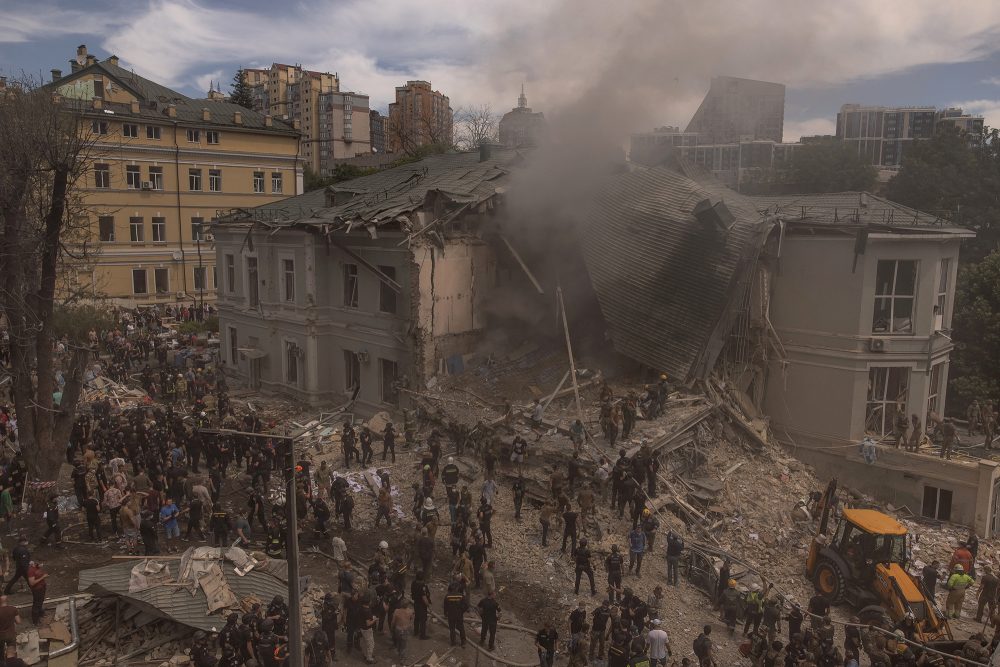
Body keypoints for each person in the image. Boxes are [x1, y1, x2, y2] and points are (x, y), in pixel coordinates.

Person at [26, 560, 46, 625]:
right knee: (37, 604)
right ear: (33, 564)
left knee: (40, 601)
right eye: (39, 563)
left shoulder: (36, 568)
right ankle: (35, 621)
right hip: (37, 589)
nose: (41, 564)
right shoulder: (30, 571)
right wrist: (43, 577)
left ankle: (40, 614)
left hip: (42, 587)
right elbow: (32, 583)